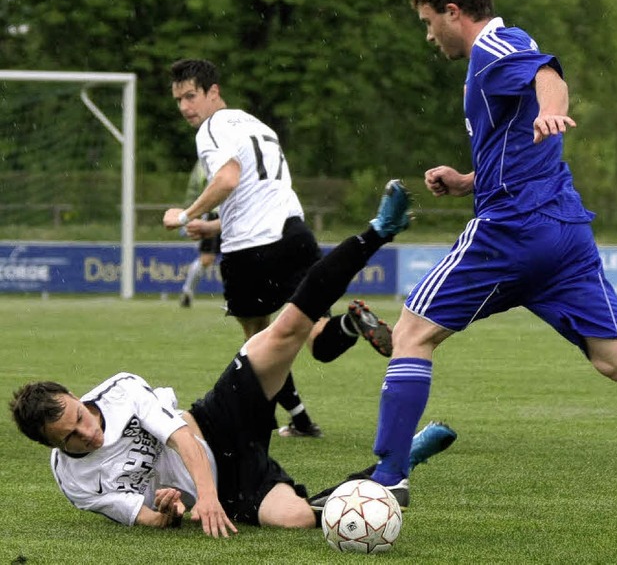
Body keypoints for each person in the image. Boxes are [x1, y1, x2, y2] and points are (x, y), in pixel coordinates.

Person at [312, 0, 617, 510]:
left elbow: (548, 77)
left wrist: (553, 111)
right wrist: (468, 180)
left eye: (427, 21)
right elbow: (518, 130)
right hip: (564, 231)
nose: (428, 34)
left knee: (412, 335)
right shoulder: (506, 43)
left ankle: (388, 477)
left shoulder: (492, 50)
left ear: (453, 11)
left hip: (514, 229)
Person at [10, 181, 419, 536]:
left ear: (75, 396)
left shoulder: (120, 390)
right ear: (51, 445)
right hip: (232, 486)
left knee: (287, 328)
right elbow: (146, 519)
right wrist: (169, 511)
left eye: (79, 417)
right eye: (71, 438)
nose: (88, 434)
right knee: (294, 518)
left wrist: (204, 498)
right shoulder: (74, 482)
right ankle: (395, 467)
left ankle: (378, 231)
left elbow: (180, 437)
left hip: (215, 421)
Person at [163, 58, 395, 439]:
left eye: (191, 96)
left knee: (260, 343)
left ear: (213, 92)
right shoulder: (258, 126)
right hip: (293, 236)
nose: (185, 107)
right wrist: (210, 225)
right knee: (316, 337)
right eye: (179, 100)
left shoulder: (211, 129)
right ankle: (349, 327)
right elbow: (256, 196)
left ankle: (270, 423)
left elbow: (227, 178)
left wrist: (185, 215)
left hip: (249, 251)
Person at [179, 159, 222, 308]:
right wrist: (188, 215)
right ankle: (187, 291)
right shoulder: (204, 162)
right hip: (213, 214)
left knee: (237, 257)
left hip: (233, 212)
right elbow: (194, 190)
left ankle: (237, 297)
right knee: (207, 258)